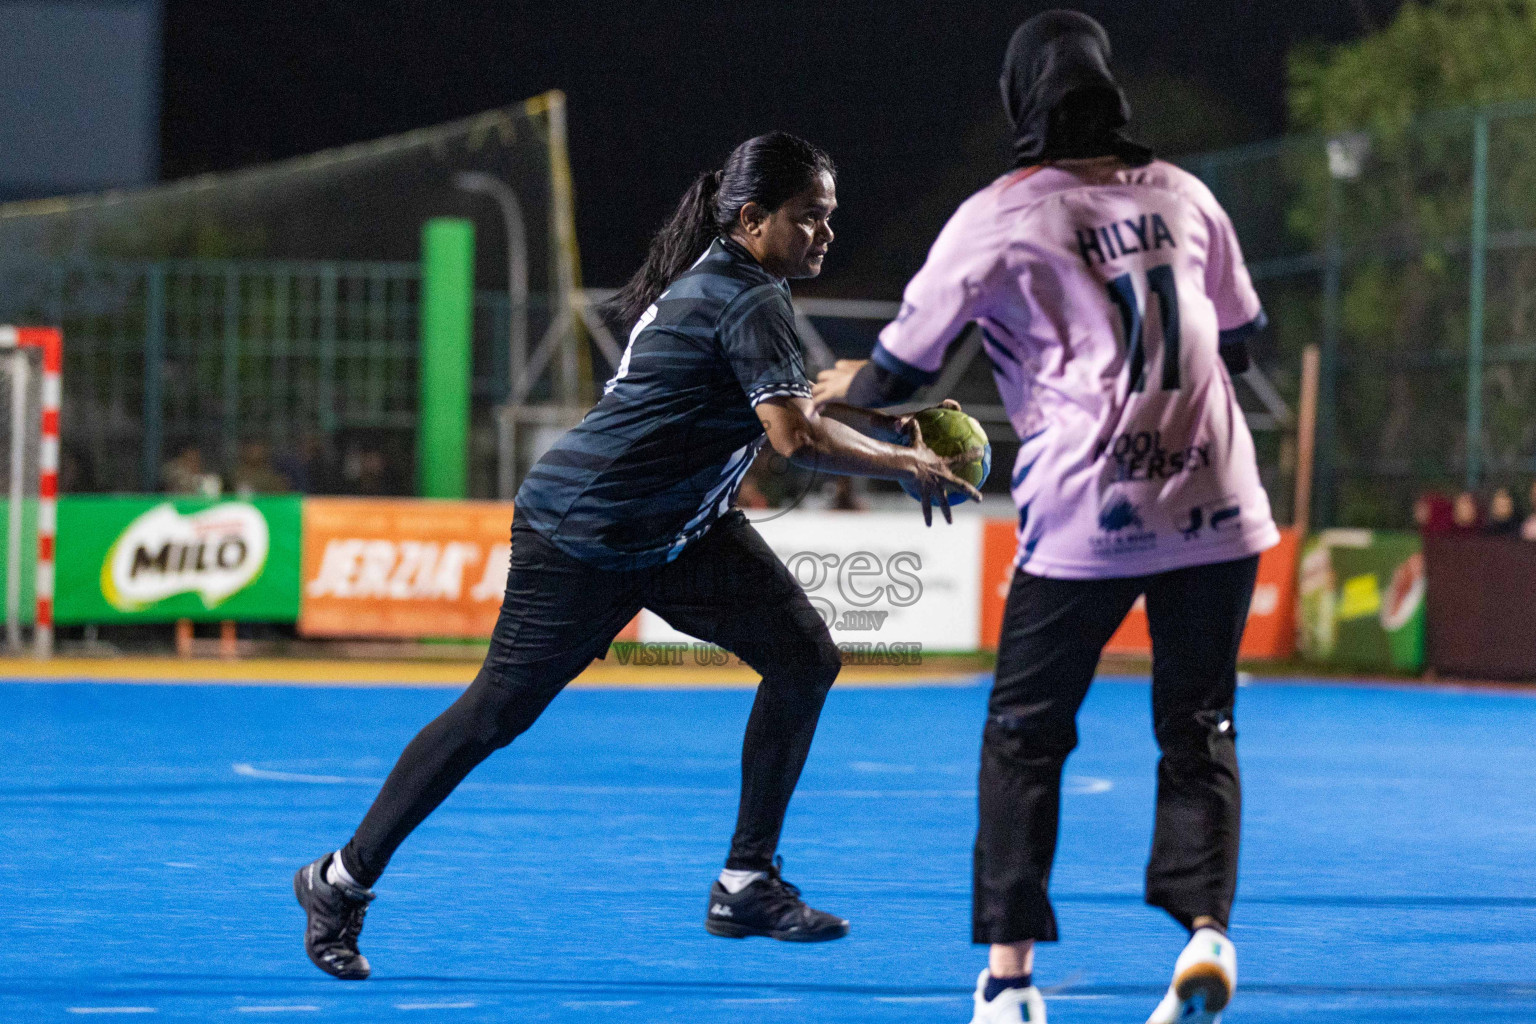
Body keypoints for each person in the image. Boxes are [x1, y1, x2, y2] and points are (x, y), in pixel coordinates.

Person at [293, 131, 980, 980]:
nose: (826, 234)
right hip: (583, 535)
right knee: (494, 715)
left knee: (805, 659)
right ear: (752, 218)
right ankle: (339, 880)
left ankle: (746, 881)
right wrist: (903, 461)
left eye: (830, 218)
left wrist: (879, 421)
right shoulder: (745, 298)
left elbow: (774, 402)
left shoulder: (738, 286)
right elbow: (793, 435)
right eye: (810, 218)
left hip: (678, 532)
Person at [815, 13, 1274, 1023]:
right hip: (1217, 496)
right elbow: (1243, 343)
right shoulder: (1187, 196)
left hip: (1090, 503)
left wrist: (836, 387)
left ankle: (1010, 981)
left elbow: (902, 370)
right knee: (1198, 722)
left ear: (1025, 105)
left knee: (1025, 736)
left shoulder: (999, 217)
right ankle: (1207, 933)